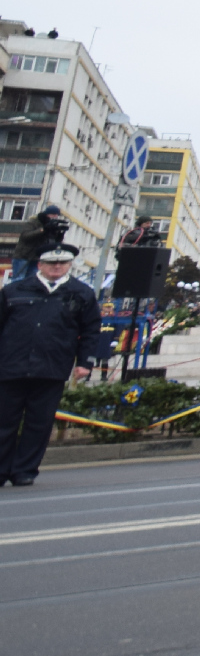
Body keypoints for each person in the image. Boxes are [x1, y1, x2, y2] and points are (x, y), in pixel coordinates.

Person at [0, 245, 100, 485]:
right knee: (4, 422)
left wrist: (84, 362)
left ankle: (24, 471)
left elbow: (90, 330)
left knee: (39, 423)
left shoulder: (81, 293)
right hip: (11, 366)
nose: (57, 267)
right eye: (52, 263)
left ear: (69, 265)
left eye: (63, 263)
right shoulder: (14, 290)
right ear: (40, 265)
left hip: (51, 367)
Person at [10, 205, 69, 284]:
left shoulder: (51, 225)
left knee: (32, 281)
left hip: (37, 257)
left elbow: (53, 242)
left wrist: (60, 234)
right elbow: (25, 236)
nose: (55, 217)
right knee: (18, 279)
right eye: (53, 215)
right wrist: (43, 230)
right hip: (23, 256)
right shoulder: (33, 222)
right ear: (47, 214)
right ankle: (14, 295)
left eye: (56, 215)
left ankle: (27, 295)